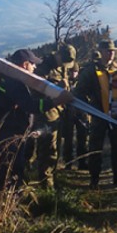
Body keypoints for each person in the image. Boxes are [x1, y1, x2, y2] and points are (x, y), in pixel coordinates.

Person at [0, 49, 72, 193]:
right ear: (24, 64)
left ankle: (6, 200)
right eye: (32, 64)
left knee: (10, 167)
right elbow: (31, 106)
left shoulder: (11, 77)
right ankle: (9, 203)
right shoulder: (14, 82)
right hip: (10, 132)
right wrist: (56, 101)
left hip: (11, 130)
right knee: (11, 169)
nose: (35, 67)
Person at [74, 40, 117, 188]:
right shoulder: (90, 71)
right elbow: (79, 93)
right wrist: (90, 109)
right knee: (95, 148)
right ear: (100, 51)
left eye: (113, 51)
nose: (110, 53)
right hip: (99, 115)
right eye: (108, 50)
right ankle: (94, 179)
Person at [34, 44, 78, 187]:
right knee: (47, 150)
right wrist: (57, 87)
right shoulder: (43, 68)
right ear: (58, 55)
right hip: (46, 113)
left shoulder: (62, 67)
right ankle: (46, 185)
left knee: (55, 148)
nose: (64, 64)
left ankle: (52, 178)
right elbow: (36, 92)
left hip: (58, 112)